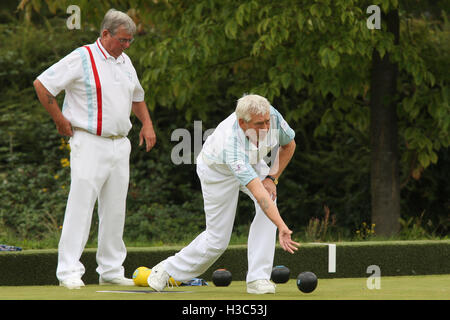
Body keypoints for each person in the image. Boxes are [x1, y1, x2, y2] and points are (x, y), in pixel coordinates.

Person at [33, 9, 156, 289]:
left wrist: (147, 124)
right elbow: (42, 84)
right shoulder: (82, 57)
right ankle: (68, 272)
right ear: (105, 34)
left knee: (115, 209)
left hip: (120, 144)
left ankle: (111, 269)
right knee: (81, 204)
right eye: (122, 40)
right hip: (88, 140)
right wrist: (60, 120)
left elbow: (137, 96)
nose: (126, 45)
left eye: (129, 41)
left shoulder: (125, 61)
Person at [148, 94, 299, 294]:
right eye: (258, 124)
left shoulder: (274, 117)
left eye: (266, 122)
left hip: (252, 162)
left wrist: (272, 178)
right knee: (217, 240)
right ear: (242, 123)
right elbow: (259, 194)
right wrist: (282, 226)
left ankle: (258, 278)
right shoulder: (230, 142)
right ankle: (166, 269)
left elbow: (289, 145)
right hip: (217, 171)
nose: (264, 128)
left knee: (270, 199)